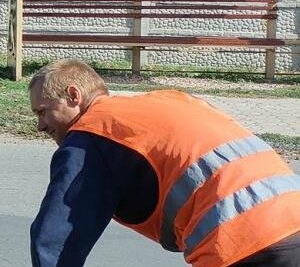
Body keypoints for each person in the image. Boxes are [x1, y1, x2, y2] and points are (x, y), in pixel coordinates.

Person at [27, 59, 300, 267]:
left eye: (43, 111)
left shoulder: (92, 134)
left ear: (74, 96)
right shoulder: (165, 101)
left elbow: (56, 238)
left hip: (245, 243)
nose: (40, 125)